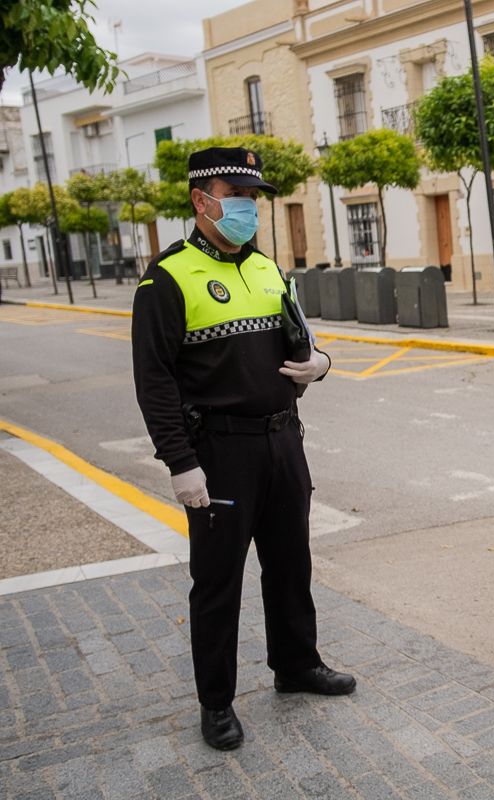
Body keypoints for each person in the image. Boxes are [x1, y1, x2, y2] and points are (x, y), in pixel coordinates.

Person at [131, 146, 355, 753]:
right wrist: (180, 462)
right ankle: (216, 703)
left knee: (290, 565)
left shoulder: (267, 270)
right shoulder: (167, 278)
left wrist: (322, 364)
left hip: (283, 441)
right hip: (219, 452)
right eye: (239, 196)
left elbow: (302, 342)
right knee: (218, 581)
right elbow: (154, 381)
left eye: (255, 198)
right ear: (203, 200)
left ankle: (296, 665)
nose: (250, 208)